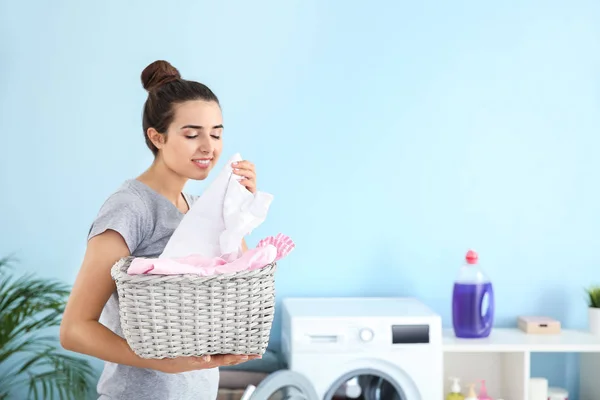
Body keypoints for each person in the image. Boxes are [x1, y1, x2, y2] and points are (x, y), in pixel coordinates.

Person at [60, 60, 260, 400]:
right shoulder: (130, 208)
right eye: (192, 134)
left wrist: (237, 210)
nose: (208, 147)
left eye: (216, 133)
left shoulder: (200, 207)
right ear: (157, 137)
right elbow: (75, 329)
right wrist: (163, 362)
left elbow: (241, 287)